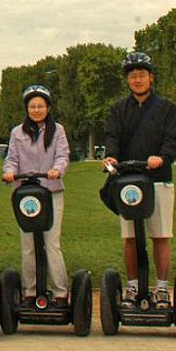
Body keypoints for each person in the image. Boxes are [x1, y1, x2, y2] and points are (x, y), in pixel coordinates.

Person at [103, 52, 176, 309]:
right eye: (132, 76)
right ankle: (133, 286)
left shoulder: (167, 108)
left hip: (157, 178)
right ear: (127, 80)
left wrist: (163, 157)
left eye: (141, 75)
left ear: (151, 78)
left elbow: (172, 139)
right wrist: (111, 157)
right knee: (131, 237)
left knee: (160, 235)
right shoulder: (118, 109)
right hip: (129, 181)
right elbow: (113, 137)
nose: (137, 80)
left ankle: (162, 289)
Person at [2, 85, 70, 307]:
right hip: (26, 194)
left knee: (51, 243)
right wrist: (9, 172)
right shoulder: (17, 132)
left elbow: (62, 155)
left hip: (51, 191)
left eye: (41, 106)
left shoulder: (57, 130)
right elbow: (11, 158)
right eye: (32, 106)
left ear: (48, 107)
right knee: (29, 244)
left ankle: (60, 292)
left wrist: (57, 170)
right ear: (27, 109)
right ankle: (30, 291)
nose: (37, 110)